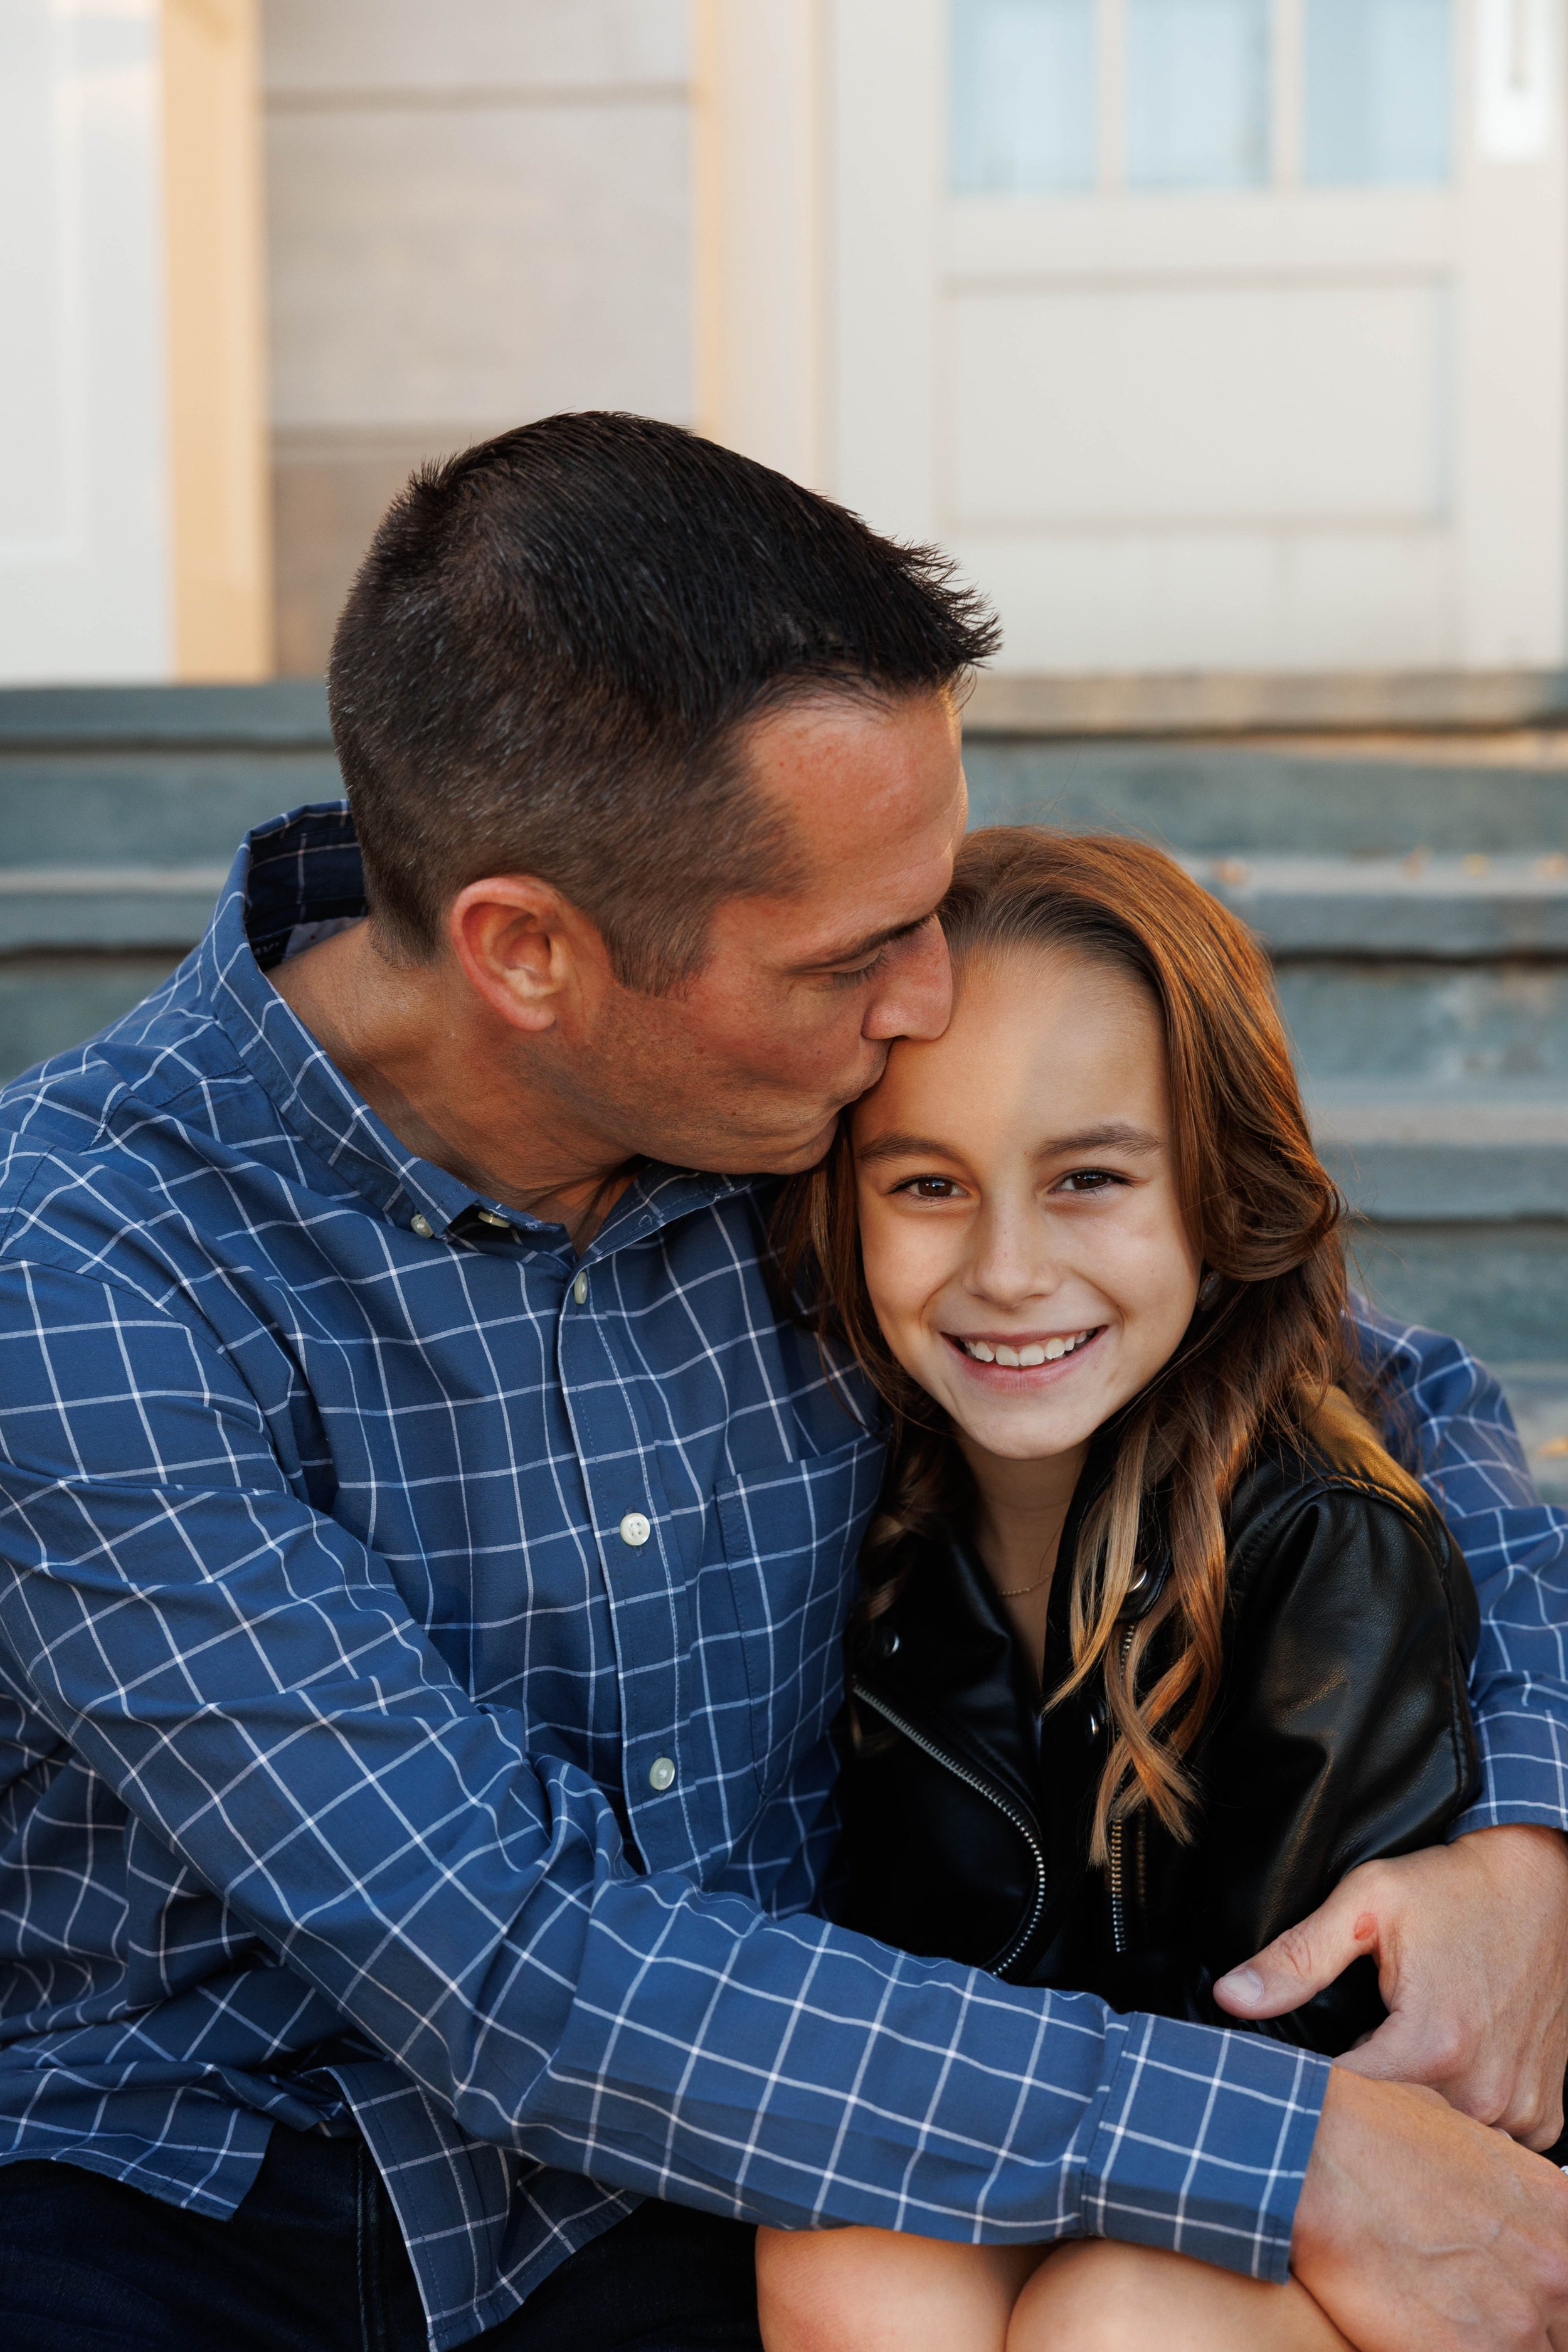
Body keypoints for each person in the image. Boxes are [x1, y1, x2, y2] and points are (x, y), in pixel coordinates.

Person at [0, 415, 1564, 2352]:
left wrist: (1522, 1835)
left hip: (758, 2169)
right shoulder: (78, 1280)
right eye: (856, 947)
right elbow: (513, 1961)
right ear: (527, 953)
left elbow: (1374, 1391)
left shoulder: (791, 1114)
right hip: (220, 2200)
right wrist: (1297, 2145)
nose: (925, 998)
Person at [756, 827, 1490, 2351]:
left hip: (1345, 2191)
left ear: (1221, 1196)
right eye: (928, 1183)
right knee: (842, 2261)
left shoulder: (1327, 1543)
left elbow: (1331, 2080)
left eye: (1088, 1177)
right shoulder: (861, 1512)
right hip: (1044, 2144)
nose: (1008, 1270)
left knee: (1122, 2318)